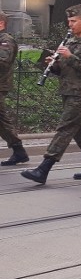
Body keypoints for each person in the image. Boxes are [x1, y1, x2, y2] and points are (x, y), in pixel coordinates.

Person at [21, 4, 81, 184]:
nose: (70, 25)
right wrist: (55, 65)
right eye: (69, 21)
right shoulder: (70, 41)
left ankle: (43, 169)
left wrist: (69, 57)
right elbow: (67, 70)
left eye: (74, 21)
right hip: (68, 90)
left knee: (65, 128)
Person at [0, 11, 28, 166]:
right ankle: (19, 151)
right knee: (2, 121)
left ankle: (19, 151)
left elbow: (3, 62)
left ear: (1, 23)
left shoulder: (6, 40)